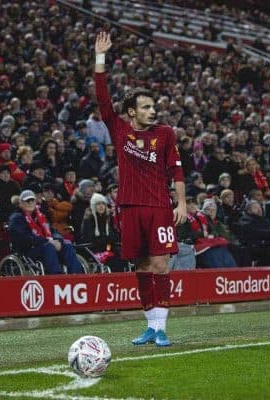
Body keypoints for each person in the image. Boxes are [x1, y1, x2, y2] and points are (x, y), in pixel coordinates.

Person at [95, 32, 187, 347]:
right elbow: (102, 100)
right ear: (132, 112)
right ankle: (150, 325)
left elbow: (176, 169)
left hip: (160, 207)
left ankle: (162, 328)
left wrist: (182, 203)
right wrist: (100, 59)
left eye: (153, 106)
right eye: (145, 107)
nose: (152, 111)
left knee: (161, 264)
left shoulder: (165, 133)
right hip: (131, 207)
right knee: (143, 266)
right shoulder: (119, 129)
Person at [7, 190, 83, 275]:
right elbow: (24, 237)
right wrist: (47, 241)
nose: (30, 203)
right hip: (28, 249)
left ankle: (76, 275)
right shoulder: (16, 218)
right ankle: (56, 276)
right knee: (48, 247)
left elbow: (52, 230)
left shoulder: (40, 215)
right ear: (21, 203)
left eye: (32, 200)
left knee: (67, 245)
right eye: (27, 201)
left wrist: (58, 240)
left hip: (44, 244)